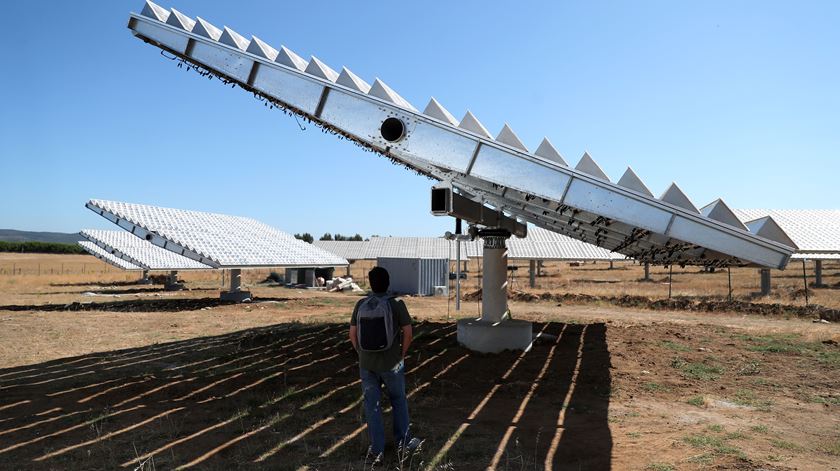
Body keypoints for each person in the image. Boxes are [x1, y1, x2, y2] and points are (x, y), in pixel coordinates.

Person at [349, 266, 421, 463]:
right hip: (392, 363)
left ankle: (377, 450)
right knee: (398, 401)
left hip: (367, 364)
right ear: (388, 283)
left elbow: (352, 335)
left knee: (372, 405)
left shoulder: (360, 304)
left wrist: (361, 354)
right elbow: (408, 333)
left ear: (371, 284)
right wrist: (401, 355)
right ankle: (404, 443)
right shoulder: (397, 304)